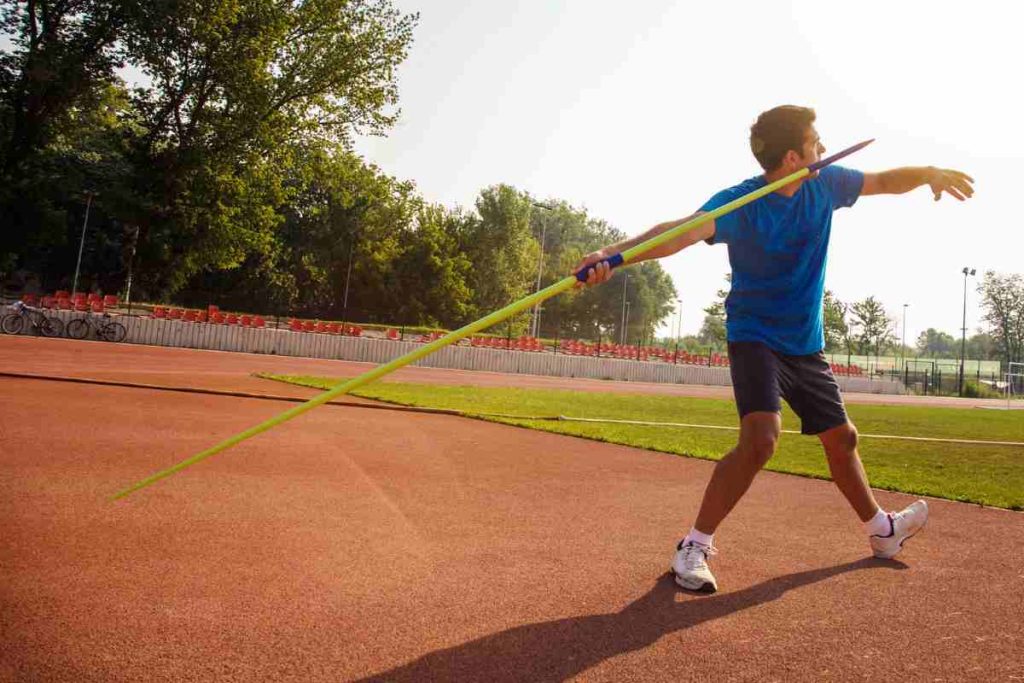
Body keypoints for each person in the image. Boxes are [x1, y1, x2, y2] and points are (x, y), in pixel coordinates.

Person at [574, 105, 974, 593]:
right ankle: (693, 546)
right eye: (816, 143)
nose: (824, 150)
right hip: (755, 334)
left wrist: (929, 173)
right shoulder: (741, 203)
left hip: (805, 343)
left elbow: (884, 181)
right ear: (792, 155)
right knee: (762, 438)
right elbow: (676, 233)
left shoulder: (825, 185)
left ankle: (882, 532)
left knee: (842, 439)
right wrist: (611, 257)